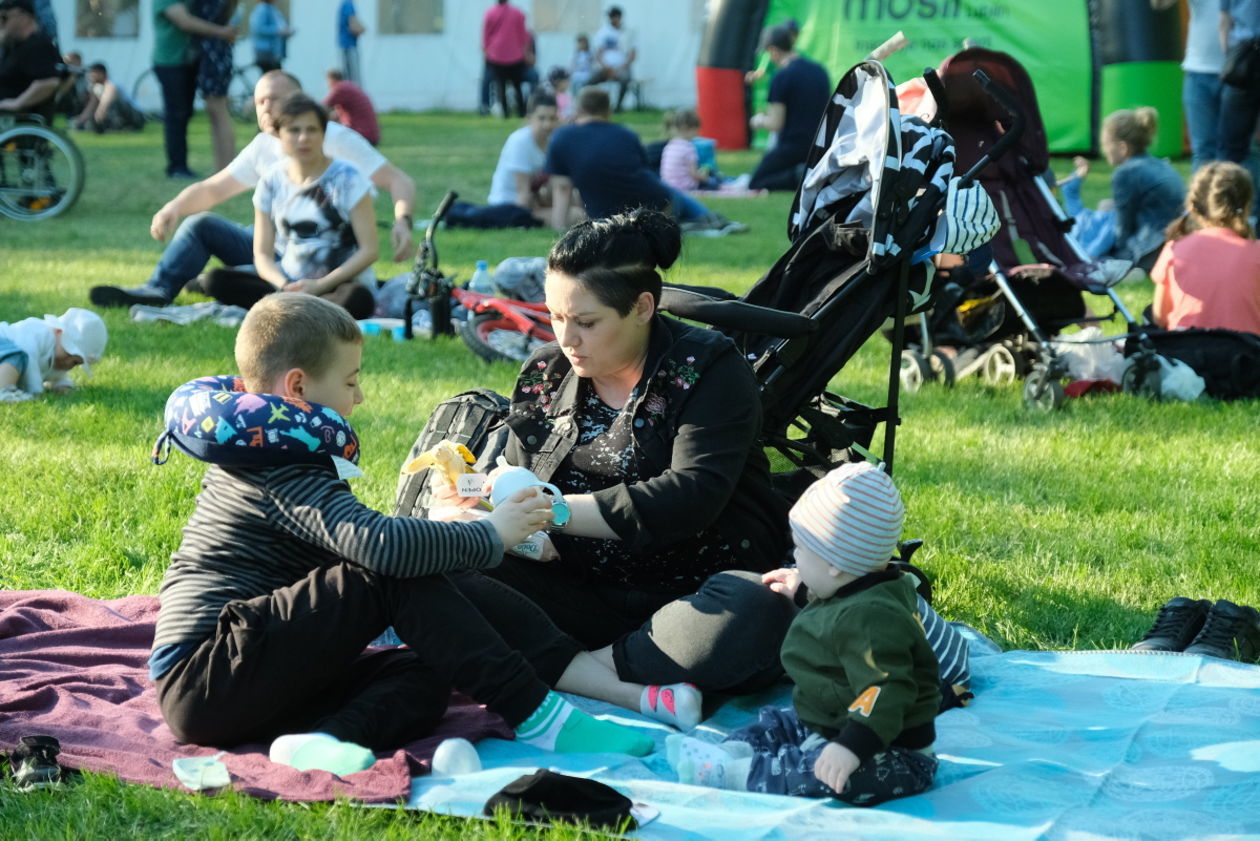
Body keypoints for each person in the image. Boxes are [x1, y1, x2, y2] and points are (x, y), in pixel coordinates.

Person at [151, 293, 702, 775]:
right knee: (385, 571)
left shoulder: (268, 448)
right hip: (207, 675)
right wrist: (492, 533)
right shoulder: (279, 465)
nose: (359, 397)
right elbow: (379, 549)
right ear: (297, 386)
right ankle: (540, 717)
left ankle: (324, 743)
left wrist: (441, 532)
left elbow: (358, 543)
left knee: (429, 667)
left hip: (251, 677)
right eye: (349, 381)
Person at [478, 209, 794, 694]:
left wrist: (548, 512)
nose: (566, 339)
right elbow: (523, 504)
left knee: (756, 607)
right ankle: (602, 672)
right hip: (578, 590)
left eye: (586, 322)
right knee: (446, 564)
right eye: (554, 316)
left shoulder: (707, 369)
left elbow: (688, 498)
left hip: (691, 599)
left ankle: (577, 670)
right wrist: (477, 517)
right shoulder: (546, 375)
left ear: (643, 307)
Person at [666, 463, 940, 806]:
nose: (795, 556)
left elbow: (886, 690)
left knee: (819, 775)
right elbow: (840, 598)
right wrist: (803, 589)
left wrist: (851, 746)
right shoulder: (858, 585)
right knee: (778, 722)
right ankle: (733, 751)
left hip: (888, 749)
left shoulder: (873, 619)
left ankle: (739, 774)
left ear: (834, 564)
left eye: (801, 549)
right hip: (832, 717)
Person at [87, 70, 417, 310]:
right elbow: (213, 190)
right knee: (201, 225)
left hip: (332, 259)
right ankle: (157, 290)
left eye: (275, 98)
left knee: (348, 295)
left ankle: (270, 291)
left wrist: (402, 221)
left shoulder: (334, 142)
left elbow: (399, 181)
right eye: (260, 100)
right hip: (281, 253)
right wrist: (173, 206)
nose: (266, 107)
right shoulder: (264, 149)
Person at [200, 93, 377, 318]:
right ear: (279, 135)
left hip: (339, 284)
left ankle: (290, 308)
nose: (303, 138)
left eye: (311, 130)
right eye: (294, 130)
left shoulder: (350, 179)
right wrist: (283, 285)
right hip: (287, 283)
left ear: (323, 134)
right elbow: (262, 255)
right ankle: (298, 307)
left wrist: (320, 286)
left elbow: (369, 251)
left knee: (358, 299)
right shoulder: (271, 181)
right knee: (216, 280)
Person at [545, 87, 745, 236]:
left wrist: (558, 228)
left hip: (606, 216)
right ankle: (711, 220)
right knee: (669, 194)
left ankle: (701, 223)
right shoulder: (624, 134)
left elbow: (562, 188)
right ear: (608, 111)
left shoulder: (561, 137)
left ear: (577, 110)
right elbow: (644, 171)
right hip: (655, 202)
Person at [1064, 107, 1186, 265]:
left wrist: (1118, 256)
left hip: (1151, 248)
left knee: (1103, 250)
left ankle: (1137, 269)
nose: (1104, 150)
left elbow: (1124, 227)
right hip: (1174, 241)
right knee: (1106, 206)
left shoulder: (1126, 173)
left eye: (1106, 144)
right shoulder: (1159, 164)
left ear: (1122, 148)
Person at [1152, 161, 1260, 333]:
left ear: (1193, 206)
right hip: (1247, 353)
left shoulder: (1174, 250)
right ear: (1247, 205)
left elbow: (1160, 317)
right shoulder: (1256, 252)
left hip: (1186, 352)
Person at [446, 90, 558, 229]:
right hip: (509, 205)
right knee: (573, 216)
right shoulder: (520, 142)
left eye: (552, 118)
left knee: (575, 213)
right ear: (530, 118)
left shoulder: (554, 140)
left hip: (534, 201)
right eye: (541, 118)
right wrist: (519, 220)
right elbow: (523, 191)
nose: (547, 124)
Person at [151, 0, 237, 179]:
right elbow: (185, 22)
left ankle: (225, 168)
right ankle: (178, 167)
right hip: (171, 63)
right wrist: (223, 32)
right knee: (178, 115)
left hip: (200, 58)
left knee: (205, 112)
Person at [748, 23, 830, 192]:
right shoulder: (819, 71)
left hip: (793, 146)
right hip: (820, 146)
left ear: (773, 51)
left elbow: (775, 123)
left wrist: (758, 120)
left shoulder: (782, 77)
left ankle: (798, 177)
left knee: (756, 181)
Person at [1152, 0, 1223, 172]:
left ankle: (1247, 198)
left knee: (1240, 148)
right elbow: (1159, 4)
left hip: (1240, 72)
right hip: (1198, 71)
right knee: (1203, 149)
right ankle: (1201, 199)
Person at [0, 307, 106, 403]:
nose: (69, 363)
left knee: (17, 358)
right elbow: (28, 354)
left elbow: (58, 376)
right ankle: (3, 392)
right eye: (70, 352)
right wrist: (35, 390)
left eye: (75, 363)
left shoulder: (56, 359)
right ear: (58, 332)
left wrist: (62, 385)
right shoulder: (42, 332)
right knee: (16, 356)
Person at [1218, 0, 1260, 217]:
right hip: (1246, 55)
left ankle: (1231, 212)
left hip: (1244, 55)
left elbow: (1224, 23)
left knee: (1231, 148)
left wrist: (1231, 58)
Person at [190, 0, 237, 172]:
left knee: (218, 109)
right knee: (215, 110)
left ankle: (228, 167)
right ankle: (221, 167)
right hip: (215, 52)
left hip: (214, 53)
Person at [0, 0, 62, 122]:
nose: (1, 23)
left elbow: (49, 82)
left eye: (4, 17)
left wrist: (17, 103)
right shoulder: (12, 46)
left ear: (23, 17)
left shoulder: (37, 45)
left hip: (14, 119)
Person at [482, 0, 529, 119]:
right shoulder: (518, 13)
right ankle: (521, 112)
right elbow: (523, 35)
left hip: (496, 55)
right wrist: (525, 52)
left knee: (500, 86)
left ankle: (505, 113)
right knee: (517, 86)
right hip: (516, 54)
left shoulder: (490, 13)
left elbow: (486, 36)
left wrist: (487, 51)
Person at [73, 61, 144, 132]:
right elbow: (91, 105)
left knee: (113, 103)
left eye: (92, 73)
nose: (90, 76)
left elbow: (106, 101)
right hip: (121, 115)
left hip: (136, 116)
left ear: (101, 74)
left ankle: (125, 126)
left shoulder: (111, 84)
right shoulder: (96, 87)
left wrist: (100, 113)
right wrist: (81, 120)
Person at [660, 109, 718, 192]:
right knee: (713, 182)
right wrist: (705, 177)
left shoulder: (669, 146)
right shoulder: (689, 148)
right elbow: (693, 174)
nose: (697, 134)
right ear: (686, 129)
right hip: (685, 186)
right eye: (696, 130)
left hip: (668, 185)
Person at [591, 6, 635, 112]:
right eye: (611, 16)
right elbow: (598, 54)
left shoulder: (628, 32)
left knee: (625, 80)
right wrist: (607, 67)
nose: (613, 19)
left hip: (621, 67)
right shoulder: (602, 33)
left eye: (615, 16)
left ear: (620, 17)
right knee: (590, 81)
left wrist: (620, 68)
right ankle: (594, 106)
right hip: (605, 67)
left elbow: (633, 55)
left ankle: (618, 106)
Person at [324, 67, 379, 146]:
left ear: (330, 79)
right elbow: (336, 114)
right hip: (370, 134)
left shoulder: (340, 88)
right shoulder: (349, 86)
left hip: (361, 135)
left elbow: (321, 107)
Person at [249, 0, 291, 73]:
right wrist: (278, 31)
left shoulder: (272, 8)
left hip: (273, 52)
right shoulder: (262, 8)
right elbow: (258, 28)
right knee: (273, 79)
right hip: (266, 53)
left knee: (277, 76)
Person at [336, 0, 365, 84]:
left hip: (344, 46)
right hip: (349, 46)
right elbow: (354, 25)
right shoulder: (348, 4)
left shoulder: (344, 4)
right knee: (354, 80)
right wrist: (363, 29)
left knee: (347, 79)